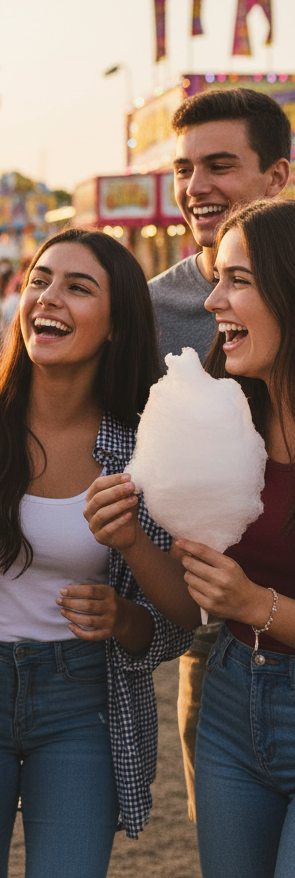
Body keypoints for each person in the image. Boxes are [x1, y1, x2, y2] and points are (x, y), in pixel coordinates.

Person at [0, 228, 191, 877]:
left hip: (81, 701)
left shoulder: (143, 447)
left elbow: (179, 622)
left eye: (78, 287)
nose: (47, 298)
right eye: (39, 279)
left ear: (116, 325)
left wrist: (125, 587)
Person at [88, 199, 295, 878]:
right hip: (234, 695)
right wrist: (132, 541)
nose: (211, 300)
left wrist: (258, 605)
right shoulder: (230, 421)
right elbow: (189, 611)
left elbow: (238, 599)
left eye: (237, 280)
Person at [149, 86, 290, 822]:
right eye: (184, 169)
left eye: (220, 165)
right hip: (218, 642)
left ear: (277, 178)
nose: (197, 188)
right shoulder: (147, 308)